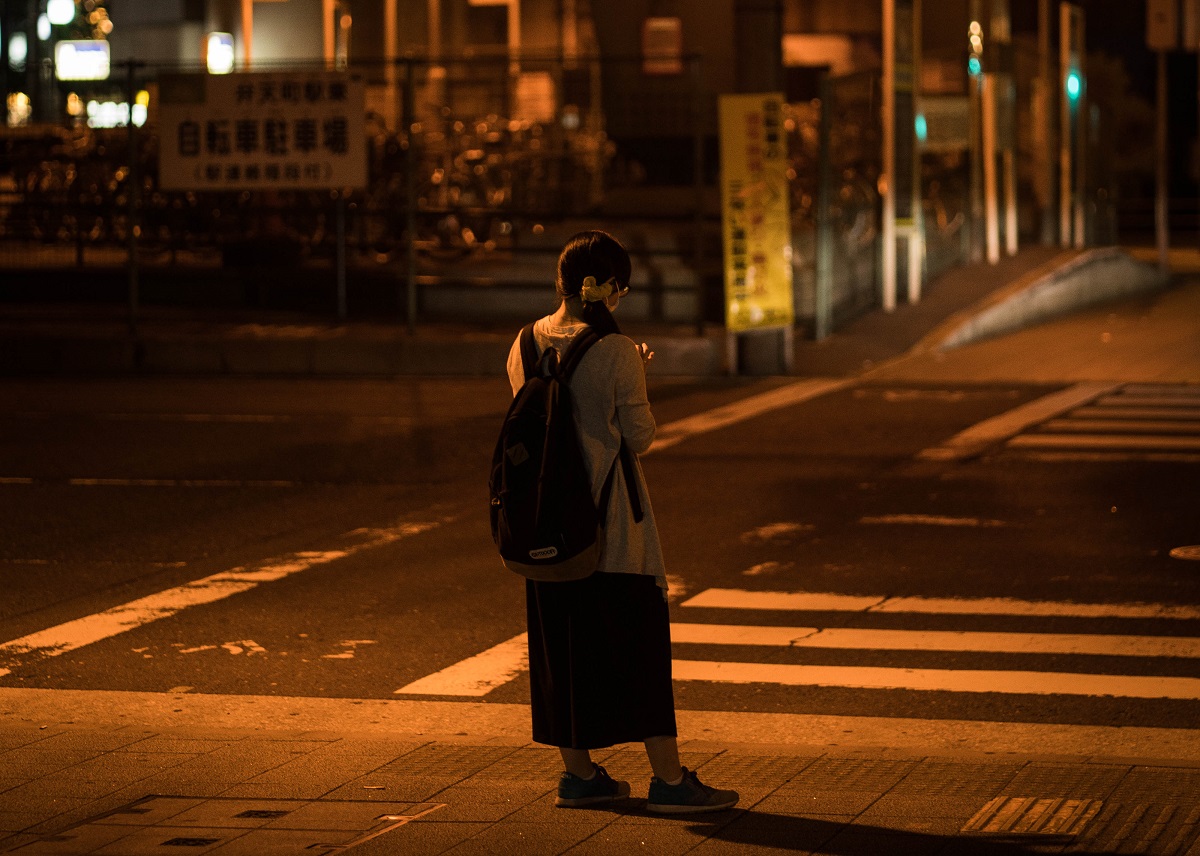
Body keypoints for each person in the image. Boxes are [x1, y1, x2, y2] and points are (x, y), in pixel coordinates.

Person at [506, 229, 739, 814]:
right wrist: (634, 368)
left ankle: (580, 776)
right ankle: (668, 779)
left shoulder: (524, 342)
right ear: (610, 290)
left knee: (562, 652)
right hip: (611, 532)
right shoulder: (615, 351)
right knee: (638, 652)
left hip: (546, 529)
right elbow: (639, 437)